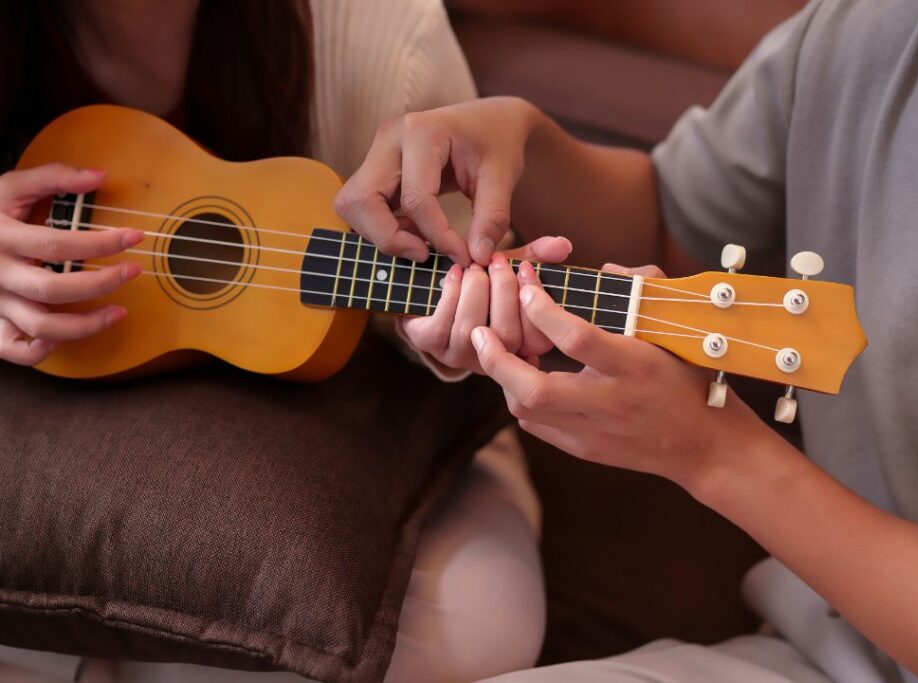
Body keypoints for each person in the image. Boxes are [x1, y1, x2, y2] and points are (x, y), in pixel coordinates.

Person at [336, 0, 918, 681]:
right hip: (819, 658)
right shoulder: (878, 26)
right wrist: (524, 141)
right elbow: (675, 230)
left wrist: (719, 456)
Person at [0, 1, 548, 681]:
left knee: (481, 626)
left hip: (375, 426)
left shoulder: (383, 32)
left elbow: (456, 272)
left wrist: (439, 331)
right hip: (61, 427)